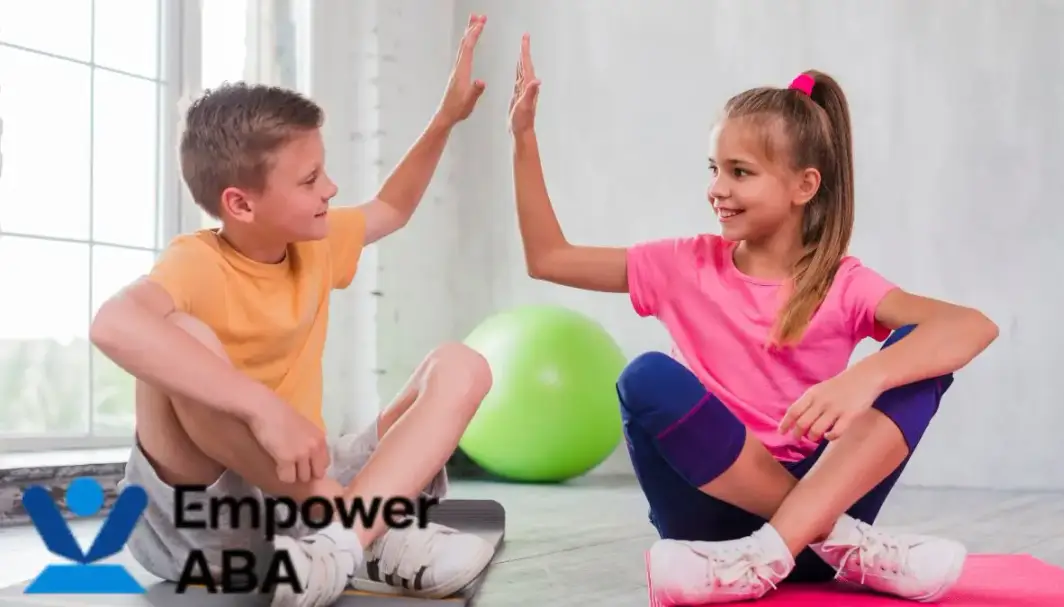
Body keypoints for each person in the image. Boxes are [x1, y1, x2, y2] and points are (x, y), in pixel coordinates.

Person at [507, 34, 999, 605]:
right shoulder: (682, 264)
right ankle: (838, 540)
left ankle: (772, 551)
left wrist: (866, 377)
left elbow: (972, 327)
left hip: (795, 530)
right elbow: (548, 258)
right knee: (645, 376)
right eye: (714, 168)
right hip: (718, 529)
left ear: (803, 186)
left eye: (740, 172)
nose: (717, 189)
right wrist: (522, 139)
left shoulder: (842, 282)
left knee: (921, 358)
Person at [91, 14, 497, 607]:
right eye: (310, 179)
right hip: (207, 515)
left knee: (462, 364)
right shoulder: (195, 262)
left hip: (305, 486)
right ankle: (366, 531)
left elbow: (392, 207)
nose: (330, 188)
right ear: (240, 204)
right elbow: (112, 324)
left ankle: (341, 543)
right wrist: (260, 408)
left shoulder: (317, 241)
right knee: (178, 334)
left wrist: (445, 118)